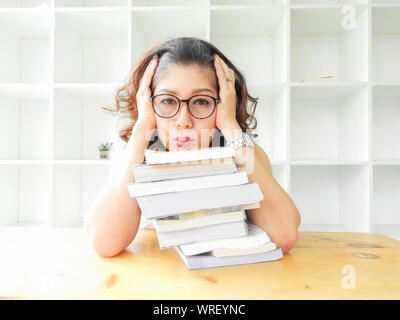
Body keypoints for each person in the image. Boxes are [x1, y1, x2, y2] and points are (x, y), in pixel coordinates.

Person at [84, 37, 301, 257]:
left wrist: (229, 125)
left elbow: (284, 235)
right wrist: (142, 128)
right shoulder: (136, 156)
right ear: (148, 103)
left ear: (223, 103)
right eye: (168, 101)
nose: (183, 120)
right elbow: (104, 243)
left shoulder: (243, 153)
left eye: (201, 101)